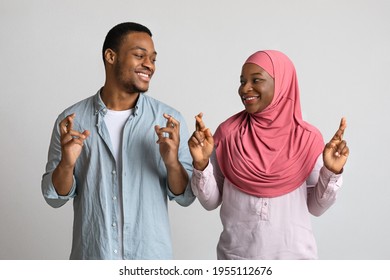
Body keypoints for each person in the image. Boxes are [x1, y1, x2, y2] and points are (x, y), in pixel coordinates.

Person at [41, 22, 195, 260]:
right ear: (111, 56)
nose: (149, 65)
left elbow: (185, 196)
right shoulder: (72, 121)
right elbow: (54, 197)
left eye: (153, 59)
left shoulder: (169, 122)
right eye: (139, 55)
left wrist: (172, 163)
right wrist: (67, 164)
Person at [188, 50, 349, 260]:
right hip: (236, 260)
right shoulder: (228, 133)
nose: (245, 88)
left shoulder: (307, 138)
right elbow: (210, 202)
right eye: (242, 81)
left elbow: (316, 208)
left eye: (256, 80)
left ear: (282, 83)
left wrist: (332, 171)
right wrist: (201, 164)